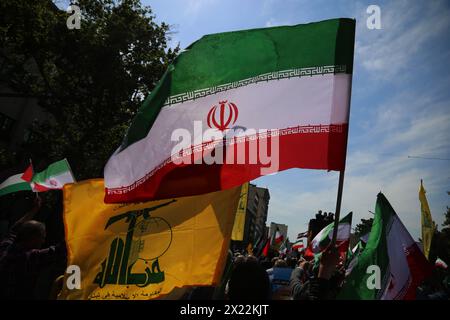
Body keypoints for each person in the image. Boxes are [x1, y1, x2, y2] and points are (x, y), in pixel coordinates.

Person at [0, 196, 66, 299]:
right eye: (42, 237)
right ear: (33, 238)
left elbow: (15, 229)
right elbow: (58, 250)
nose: (43, 241)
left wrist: (34, 209)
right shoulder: (28, 258)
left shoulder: (6, 247)